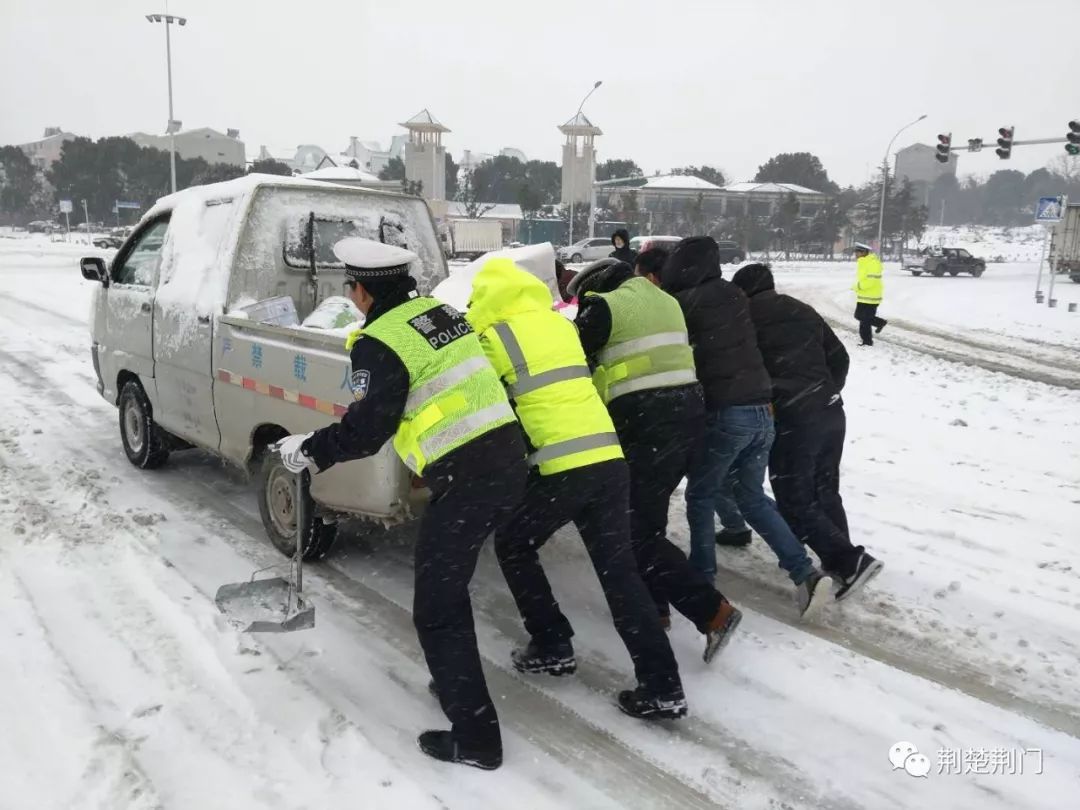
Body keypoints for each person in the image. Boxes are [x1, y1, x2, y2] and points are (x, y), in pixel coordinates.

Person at [277, 237, 527, 770]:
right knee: (446, 591)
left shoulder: (379, 340)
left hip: (470, 475)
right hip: (505, 457)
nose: (352, 295)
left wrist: (310, 450)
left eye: (351, 287)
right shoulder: (436, 313)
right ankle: (455, 683)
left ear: (363, 292)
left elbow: (368, 431)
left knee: (437, 607)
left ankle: (478, 741)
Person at [467, 256, 688, 719]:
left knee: (513, 543)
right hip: (609, 459)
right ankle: (662, 684)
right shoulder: (561, 327)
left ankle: (551, 641)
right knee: (620, 574)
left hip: (561, 465)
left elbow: (483, 403)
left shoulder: (491, 338)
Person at [571, 257, 742, 656]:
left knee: (632, 534)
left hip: (648, 422)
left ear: (595, 286)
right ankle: (655, 606)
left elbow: (571, 357)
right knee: (647, 519)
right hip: (686, 418)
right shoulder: (664, 300)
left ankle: (713, 611)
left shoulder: (604, 306)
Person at [660, 237, 832, 617]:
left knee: (701, 496)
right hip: (762, 410)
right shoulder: (734, 295)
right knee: (750, 495)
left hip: (727, 413)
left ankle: (703, 577)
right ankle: (805, 574)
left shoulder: (685, 303)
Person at [731, 263, 884, 600]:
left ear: (743, 292)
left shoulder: (745, 320)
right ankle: (840, 560)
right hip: (830, 411)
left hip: (793, 417)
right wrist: (825, 389)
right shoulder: (802, 309)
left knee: (794, 496)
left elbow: (740, 370)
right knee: (825, 488)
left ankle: (849, 562)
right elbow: (840, 357)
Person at [637, 247, 751, 551]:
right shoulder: (731, 294)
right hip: (746, 397)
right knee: (724, 480)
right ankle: (736, 526)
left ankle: (701, 570)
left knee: (700, 489)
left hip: (708, 402)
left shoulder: (677, 304)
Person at [852, 242, 887, 346]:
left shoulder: (873, 263)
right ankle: (879, 323)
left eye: (857, 252)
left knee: (865, 320)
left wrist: (857, 286)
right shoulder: (862, 262)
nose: (855, 254)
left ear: (864, 252)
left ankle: (867, 342)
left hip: (872, 297)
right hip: (863, 296)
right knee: (858, 316)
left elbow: (871, 281)